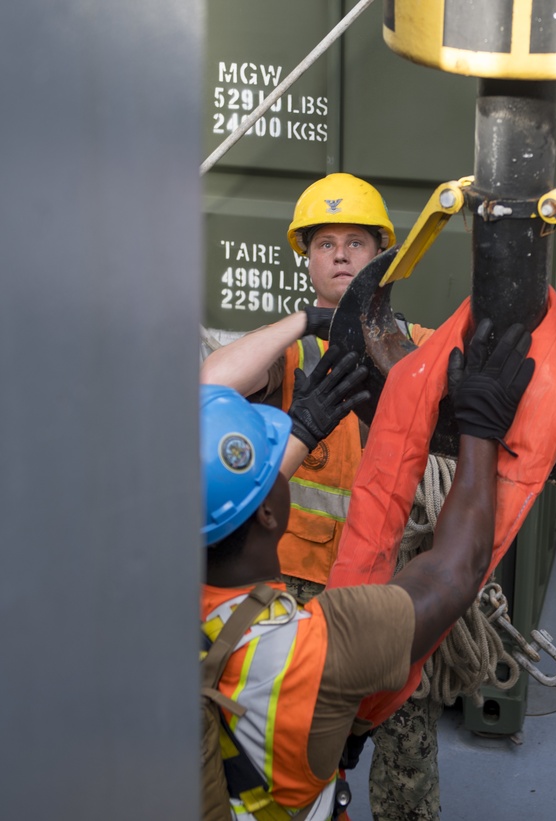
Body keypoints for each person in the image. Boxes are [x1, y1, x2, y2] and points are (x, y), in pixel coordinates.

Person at [200, 320, 534, 819]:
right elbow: (454, 572)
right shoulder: (312, 650)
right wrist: (481, 429)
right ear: (269, 512)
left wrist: (303, 429)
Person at [201, 172, 442, 820]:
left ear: (383, 256)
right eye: (324, 243)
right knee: (298, 757)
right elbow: (206, 385)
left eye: (356, 242)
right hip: (293, 600)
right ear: (306, 259)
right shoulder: (283, 356)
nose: (339, 254)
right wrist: (307, 321)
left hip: (393, 588)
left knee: (407, 760)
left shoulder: (418, 349)